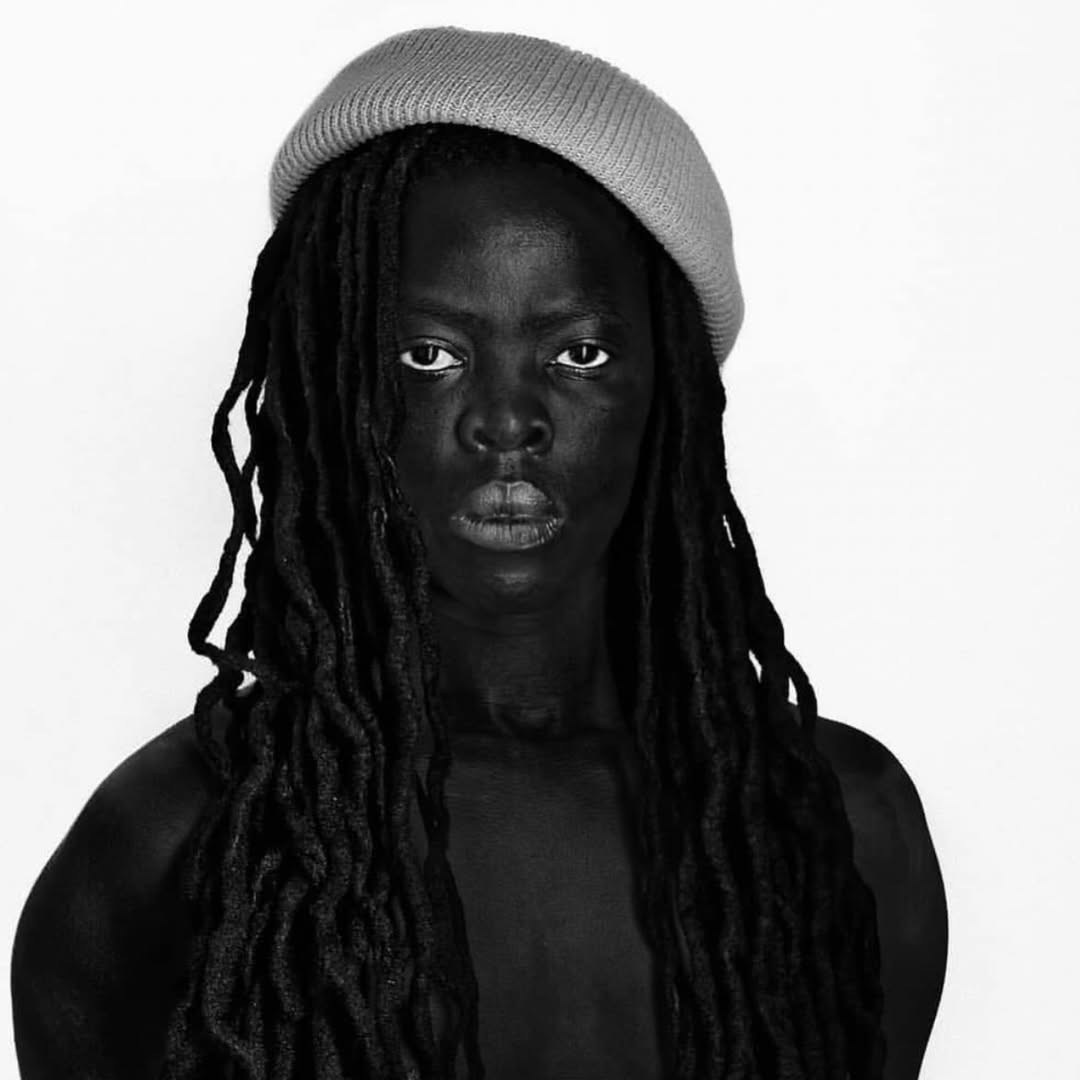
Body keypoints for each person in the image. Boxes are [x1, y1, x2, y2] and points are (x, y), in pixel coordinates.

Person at [10, 26, 947, 1080]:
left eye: (578, 353)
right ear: (333, 389)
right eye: (429, 356)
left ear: (672, 392)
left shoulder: (836, 826)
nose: (507, 423)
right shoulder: (173, 844)